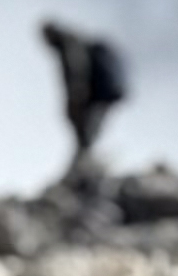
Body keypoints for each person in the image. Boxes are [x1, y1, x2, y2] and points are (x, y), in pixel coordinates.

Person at [39, 20, 126, 184]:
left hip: (94, 96)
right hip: (102, 94)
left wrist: (75, 99)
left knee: (86, 134)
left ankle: (83, 169)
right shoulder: (77, 41)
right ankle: (84, 165)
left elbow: (75, 72)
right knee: (89, 133)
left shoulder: (68, 44)